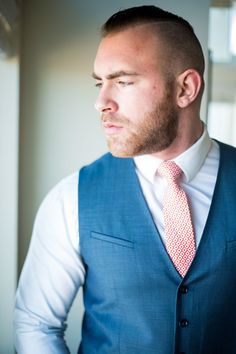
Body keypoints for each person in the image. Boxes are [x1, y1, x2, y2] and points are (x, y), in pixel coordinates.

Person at [14, 5, 236, 354]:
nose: (101, 102)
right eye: (99, 83)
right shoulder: (71, 197)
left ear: (186, 89)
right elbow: (36, 325)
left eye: (123, 81)